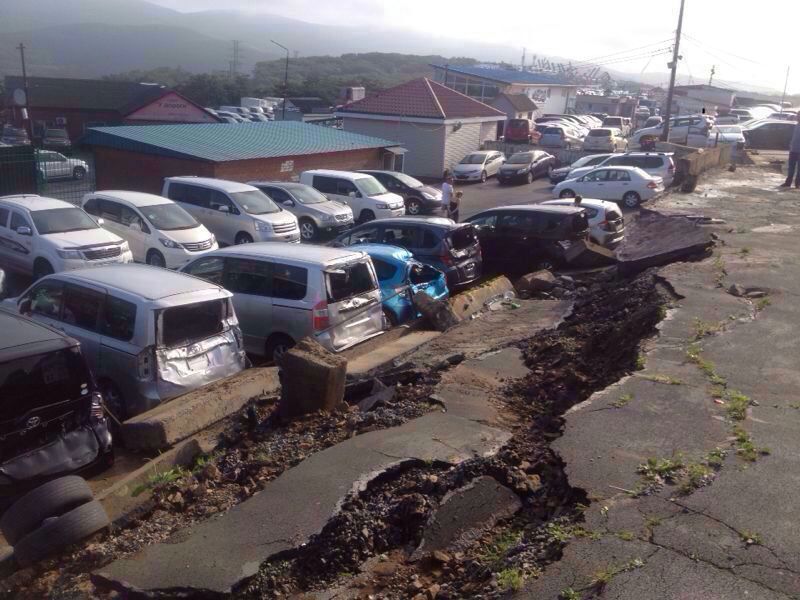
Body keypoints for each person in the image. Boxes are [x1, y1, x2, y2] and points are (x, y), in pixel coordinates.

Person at [781, 113, 800, 188]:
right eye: (798, 115)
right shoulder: (796, 125)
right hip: (793, 149)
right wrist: (790, 144)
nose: (797, 117)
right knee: (791, 167)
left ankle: (797, 183)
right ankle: (788, 182)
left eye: (799, 115)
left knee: (799, 169)